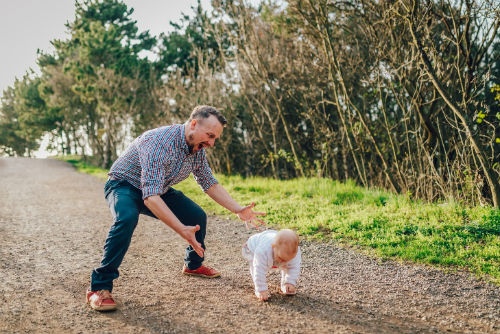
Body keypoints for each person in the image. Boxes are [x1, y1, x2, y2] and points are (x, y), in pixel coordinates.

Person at [86, 105, 266, 311]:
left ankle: (193, 265)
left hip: (157, 189)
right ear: (193, 124)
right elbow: (150, 198)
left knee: (197, 216)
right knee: (126, 218)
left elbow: (209, 183)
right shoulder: (157, 142)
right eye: (209, 135)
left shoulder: (196, 148)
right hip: (123, 185)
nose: (212, 142)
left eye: (215, 138)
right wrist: (181, 229)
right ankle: (98, 287)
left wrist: (238, 209)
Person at [242, 229, 301, 301]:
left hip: (270, 242)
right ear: (273, 246)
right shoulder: (263, 251)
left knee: (287, 265)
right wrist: (261, 290)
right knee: (257, 266)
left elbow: (294, 268)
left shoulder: (293, 252)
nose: (283, 262)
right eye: (281, 258)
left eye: (287, 259)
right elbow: (259, 270)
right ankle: (258, 289)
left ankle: (286, 285)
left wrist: (290, 282)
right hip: (251, 249)